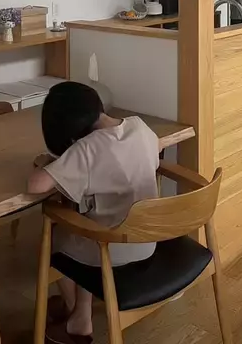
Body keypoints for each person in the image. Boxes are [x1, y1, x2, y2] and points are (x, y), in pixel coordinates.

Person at [27, 81, 159, 344]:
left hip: (112, 247)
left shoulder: (86, 149)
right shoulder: (139, 127)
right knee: (84, 224)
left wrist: (47, 163)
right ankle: (79, 311)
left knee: (55, 240)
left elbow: (35, 185)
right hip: (149, 239)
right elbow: (154, 152)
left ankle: (78, 317)